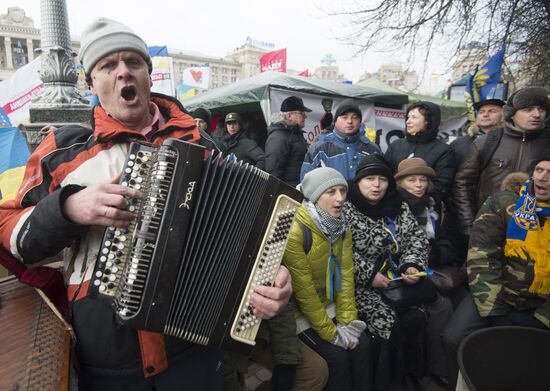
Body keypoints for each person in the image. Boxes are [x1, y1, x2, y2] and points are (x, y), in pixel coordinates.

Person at [0, 17, 292, 391]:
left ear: (148, 75)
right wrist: (68, 208)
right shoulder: (63, 151)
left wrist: (271, 278)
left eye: (133, 62)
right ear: (91, 82)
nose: (123, 73)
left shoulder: (203, 143)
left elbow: (249, 230)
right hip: (111, 359)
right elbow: (10, 232)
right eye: (108, 66)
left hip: (195, 347)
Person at [443, 153, 550, 390]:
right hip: (495, 294)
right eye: (540, 170)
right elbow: (482, 255)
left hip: (540, 304)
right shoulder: (503, 204)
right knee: (455, 338)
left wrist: (543, 318)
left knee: (528, 354)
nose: (543, 178)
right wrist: (496, 310)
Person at [343, 155, 430, 391]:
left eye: (382, 179)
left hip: (398, 281)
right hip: (360, 286)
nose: (376, 185)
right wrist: (369, 275)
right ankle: (385, 380)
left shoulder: (398, 205)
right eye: (370, 179)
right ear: (358, 182)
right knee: (387, 322)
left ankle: (409, 373)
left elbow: (415, 239)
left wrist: (411, 265)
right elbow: (339, 250)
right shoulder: (345, 208)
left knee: (416, 317)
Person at [283, 167, 373, 391]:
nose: (340, 198)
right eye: (331, 192)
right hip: (300, 313)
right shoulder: (296, 230)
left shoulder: (341, 226)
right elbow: (304, 293)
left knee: (363, 345)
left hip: (329, 304)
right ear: (314, 196)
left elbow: (345, 276)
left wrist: (347, 321)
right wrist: (332, 334)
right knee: (337, 357)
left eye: (343, 191)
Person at [394, 158, 459, 388]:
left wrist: (439, 252)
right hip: (403, 271)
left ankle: (438, 368)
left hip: (429, 266)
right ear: (400, 183)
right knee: (438, 306)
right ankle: (428, 369)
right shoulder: (396, 207)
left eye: (423, 179)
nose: (419, 184)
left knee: (446, 304)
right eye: (412, 180)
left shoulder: (432, 204)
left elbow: (442, 238)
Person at [452, 87, 550, 232]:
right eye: (528, 109)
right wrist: (470, 223)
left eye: (541, 109)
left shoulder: (547, 142)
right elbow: (463, 183)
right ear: (511, 114)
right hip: (489, 228)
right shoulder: (487, 142)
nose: (536, 114)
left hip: (536, 232)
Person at [384, 101, 455, 202]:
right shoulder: (396, 145)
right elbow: (386, 174)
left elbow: (442, 185)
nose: (408, 121)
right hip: (394, 205)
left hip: (425, 208)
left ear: (428, 121)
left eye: (414, 117)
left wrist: (421, 203)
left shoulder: (443, 150)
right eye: (408, 117)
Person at [301, 99, 381, 181]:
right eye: (344, 117)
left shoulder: (372, 149)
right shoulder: (319, 148)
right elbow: (306, 182)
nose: (349, 121)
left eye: (355, 117)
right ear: (335, 121)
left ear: (360, 122)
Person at [265, 96, 310, 187]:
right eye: (302, 113)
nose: (305, 116)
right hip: (289, 193)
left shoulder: (294, 133)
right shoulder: (279, 137)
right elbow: (273, 173)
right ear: (289, 116)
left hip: (299, 189)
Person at [450, 99, 505, 166]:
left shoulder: (511, 141)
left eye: (492, 111)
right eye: (481, 112)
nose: (485, 114)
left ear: (503, 117)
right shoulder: (458, 143)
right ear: (477, 117)